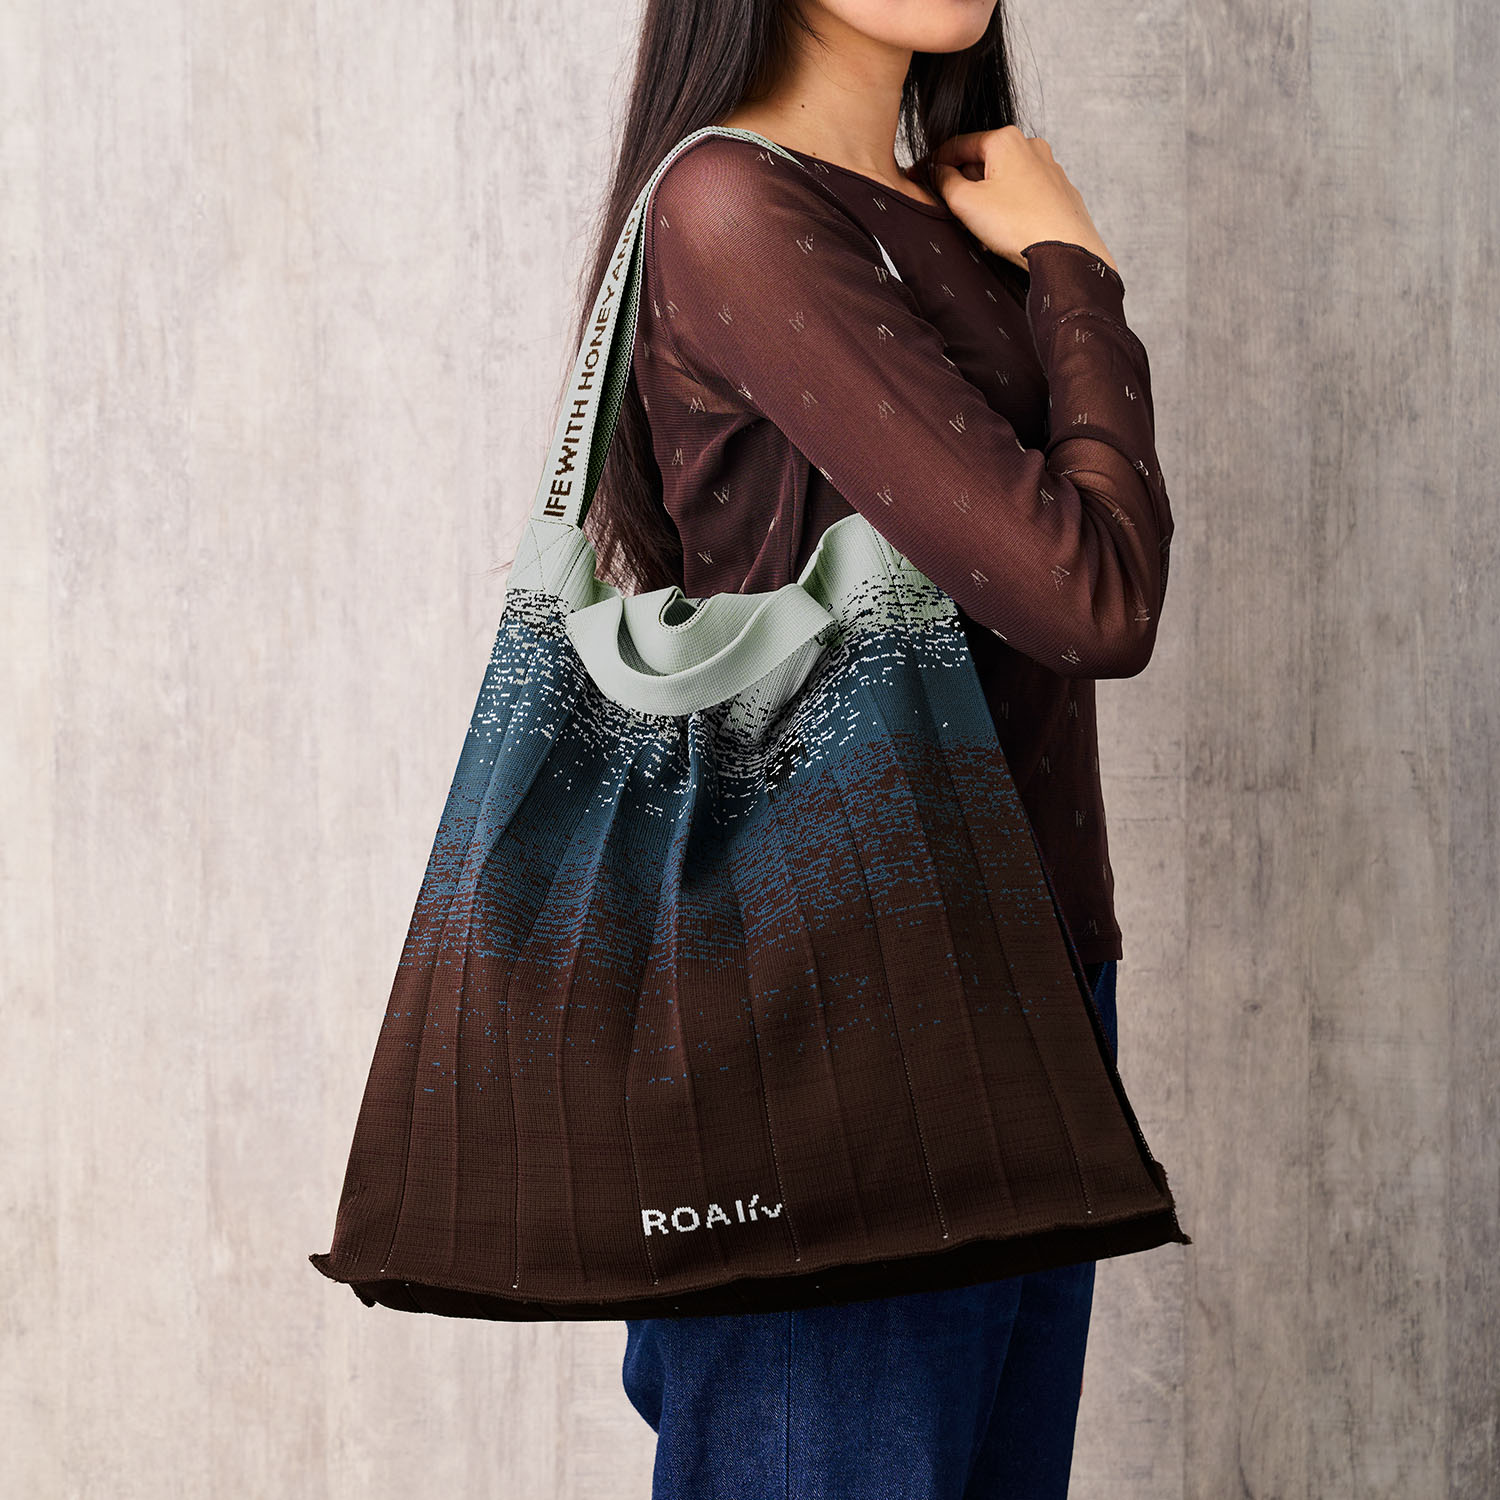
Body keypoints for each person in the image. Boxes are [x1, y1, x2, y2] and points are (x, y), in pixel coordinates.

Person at [570, 1, 1174, 1493]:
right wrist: (1075, 269)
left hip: (1035, 981)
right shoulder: (733, 206)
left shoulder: (937, 211)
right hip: (846, 1023)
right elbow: (1091, 594)